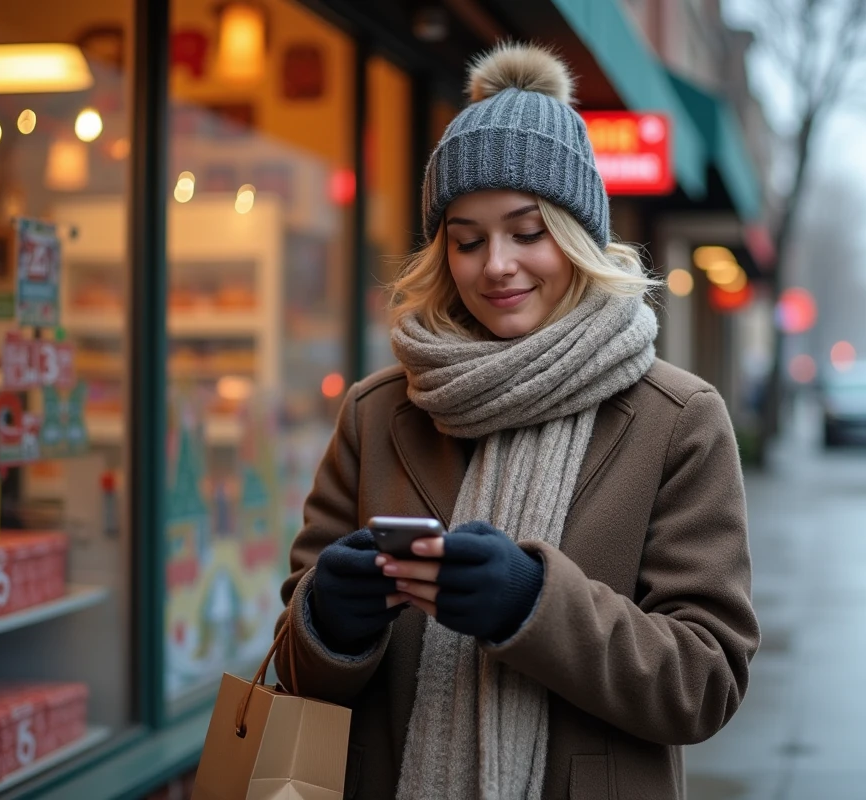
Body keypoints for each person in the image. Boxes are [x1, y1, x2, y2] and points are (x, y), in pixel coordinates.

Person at [276, 42, 759, 800]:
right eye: (466, 240)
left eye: (526, 232)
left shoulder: (679, 421)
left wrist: (536, 603)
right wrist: (330, 621)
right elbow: (297, 665)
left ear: (575, 236)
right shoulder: (379, 412)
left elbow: (704, 680)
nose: (495, 264)